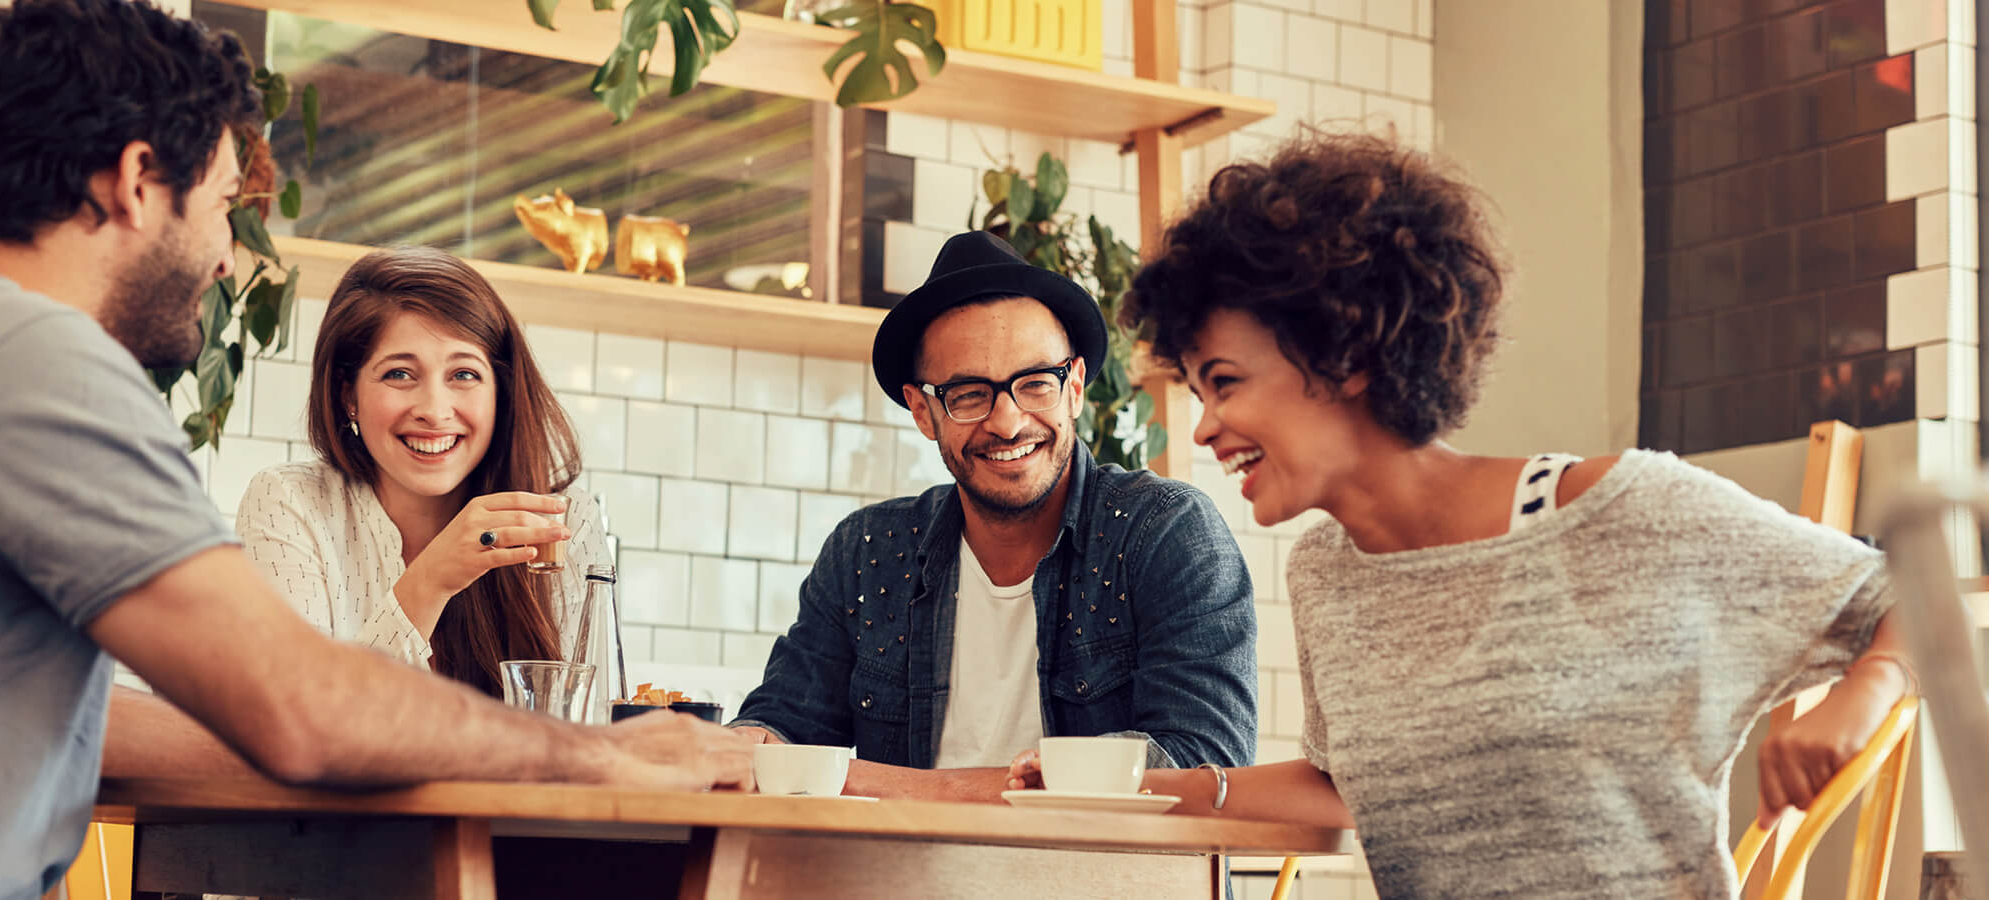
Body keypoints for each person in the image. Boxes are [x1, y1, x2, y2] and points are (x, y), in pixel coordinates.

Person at [0, 2, 747, 896]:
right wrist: (592, 758)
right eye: (224, 204)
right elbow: (302, 709)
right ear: (138, 181)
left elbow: (75, 717)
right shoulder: (39, 366)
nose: (227, 257)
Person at [1012, 130, 1915, 897]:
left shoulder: (1625, 514)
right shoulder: (1327, 574)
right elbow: (1344, 788)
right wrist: (1128, 788)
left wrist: (1860, 699)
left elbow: (1915, 601)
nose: (1206, 428)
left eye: (1225, 383)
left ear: (1347, 351)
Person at [730, 231, 1259, 801]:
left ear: (1075, 387)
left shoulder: (1163, 531)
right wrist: (723, 747)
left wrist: (878, 783)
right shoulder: (867, 552)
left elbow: (1205, 763)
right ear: (923, 411)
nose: (1007, 423)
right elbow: (779, 730)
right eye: (968, 394)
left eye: (1035, 384)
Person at [236, 246, 614, 705]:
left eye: (464, 374)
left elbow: (582, 723)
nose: (435, 411)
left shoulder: (563, 520)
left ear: (502, 391)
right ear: (347, 395)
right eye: (399, 373)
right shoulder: (289, 503)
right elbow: (294, 723)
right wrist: (431, 580)